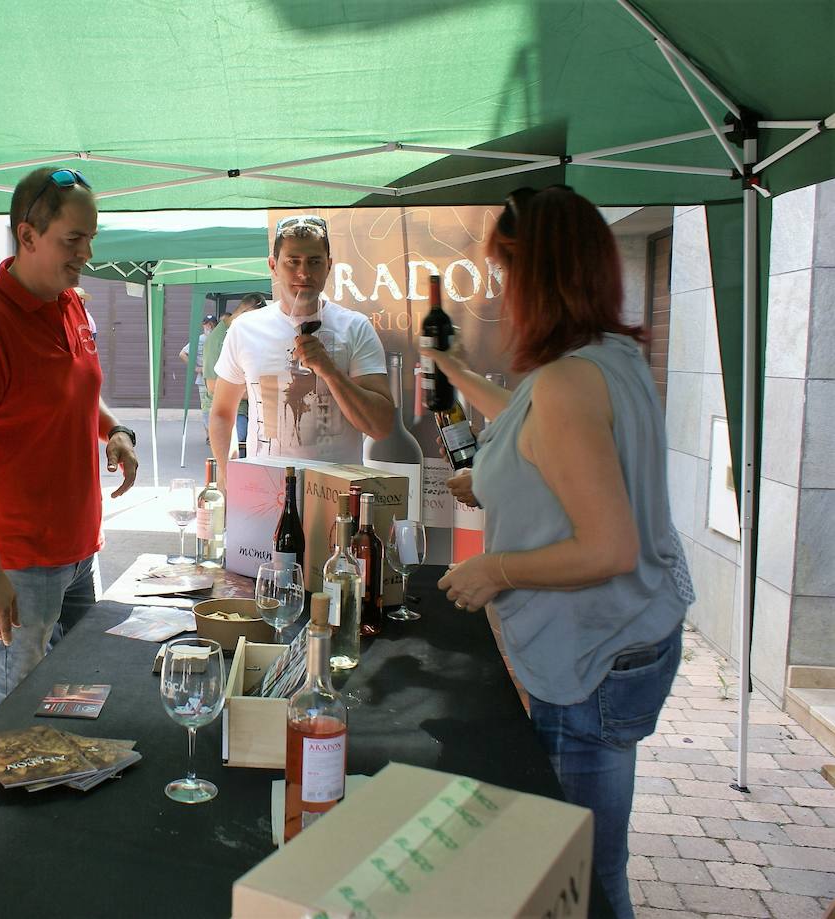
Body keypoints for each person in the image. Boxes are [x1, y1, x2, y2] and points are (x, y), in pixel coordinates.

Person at [428, 186, 694, 919]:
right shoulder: (606, 356)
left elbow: (607, 544)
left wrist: (494, 568)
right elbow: (528, 423)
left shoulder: (572, 380)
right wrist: (456, 376)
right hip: (628, 637)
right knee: (592, 856)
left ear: (539, 273)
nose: (503, 293)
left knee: (581, 872)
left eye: (508, 272)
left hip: (591, 660)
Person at [0, 166, 139, 718]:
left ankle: (59, 795)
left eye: (91, 238)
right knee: (15, 709)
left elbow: (73, 388)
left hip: (76, 547)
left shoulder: (69, 300)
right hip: (20, 561)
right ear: (28, 236)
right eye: (73, 240)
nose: (87, 254)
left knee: (73, 696)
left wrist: (113, 430)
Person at [209, 215, 394, 487]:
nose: (304, 273)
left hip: (336, 497)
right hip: (264, 493)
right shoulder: (245, 328)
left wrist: (330, 372)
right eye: (292, 261)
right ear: (273, 266)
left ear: (329, 266)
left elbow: (381, 426)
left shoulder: (354, 327)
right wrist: (227, 476)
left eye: (314, 262)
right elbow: (222, 413)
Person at [202, 293, 265, 458]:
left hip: (241, 411)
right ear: (245, 313)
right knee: (233, 464)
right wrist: (257, 393)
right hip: (229, 413)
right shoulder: (219, 339)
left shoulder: (235, 333)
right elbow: (213, 386)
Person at [180, 315, 215, 426]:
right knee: (206, 409)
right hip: (203, 380)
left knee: (215, 408)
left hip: (218, 379)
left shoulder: (220, 338)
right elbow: (182, 354)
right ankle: (209, 434)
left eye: (211, 324)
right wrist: (196, 368)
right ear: (203, 325)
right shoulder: (198, 339)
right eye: (207, 324)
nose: (209, 326)